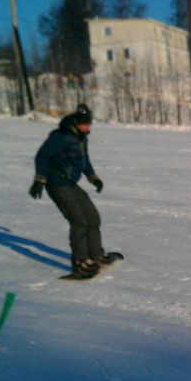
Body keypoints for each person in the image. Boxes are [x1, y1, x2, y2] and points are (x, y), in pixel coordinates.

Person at [29, 104, 116, 279]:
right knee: (79, 221)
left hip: (70, 184)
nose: (87, 127)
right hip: (57, 184)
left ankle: (96, 255)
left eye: (88, 123)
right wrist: (39, 179)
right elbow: (42, 156)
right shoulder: (60, 136)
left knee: (92, 217)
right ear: (76, 122)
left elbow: (84, 160)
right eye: (84, 124)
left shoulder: (81, 138)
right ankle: (80, 262)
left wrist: (93, 178)